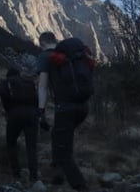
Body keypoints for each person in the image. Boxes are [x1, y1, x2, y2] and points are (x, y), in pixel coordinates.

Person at [37, 32, 92, 191]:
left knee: (64, 152)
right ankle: (58, 175)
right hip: (83, 107)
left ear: (42, 44)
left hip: (65, 109)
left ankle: (80, 186)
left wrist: (41, 112)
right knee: (58, 136)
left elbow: (42, 87)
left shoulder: (46, 57)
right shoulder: (74, 56)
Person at [0, 64, 44, 185]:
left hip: (15, 114)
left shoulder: (6, 82)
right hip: (32, 115)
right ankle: (34, 176)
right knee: (31, 146)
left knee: (11, 143)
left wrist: (9, 112)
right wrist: (38, 114)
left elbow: (4, 98)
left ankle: (16, 173)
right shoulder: (28, 81)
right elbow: (37, 98)